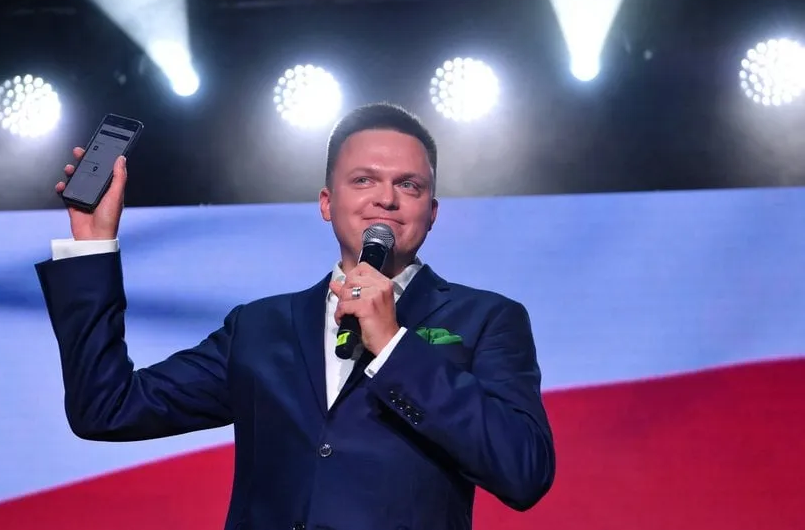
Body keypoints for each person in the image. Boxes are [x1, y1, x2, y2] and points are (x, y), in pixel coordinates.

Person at [36, 102, 555, 530]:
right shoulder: (260, 329)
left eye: (409, 186)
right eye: (364, 180)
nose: (386, 199)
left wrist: (395, 345)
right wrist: (92, 244)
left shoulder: (488, 319)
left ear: (432, 212)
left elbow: (524, 471)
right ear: (327, 203)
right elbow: (106, 408)